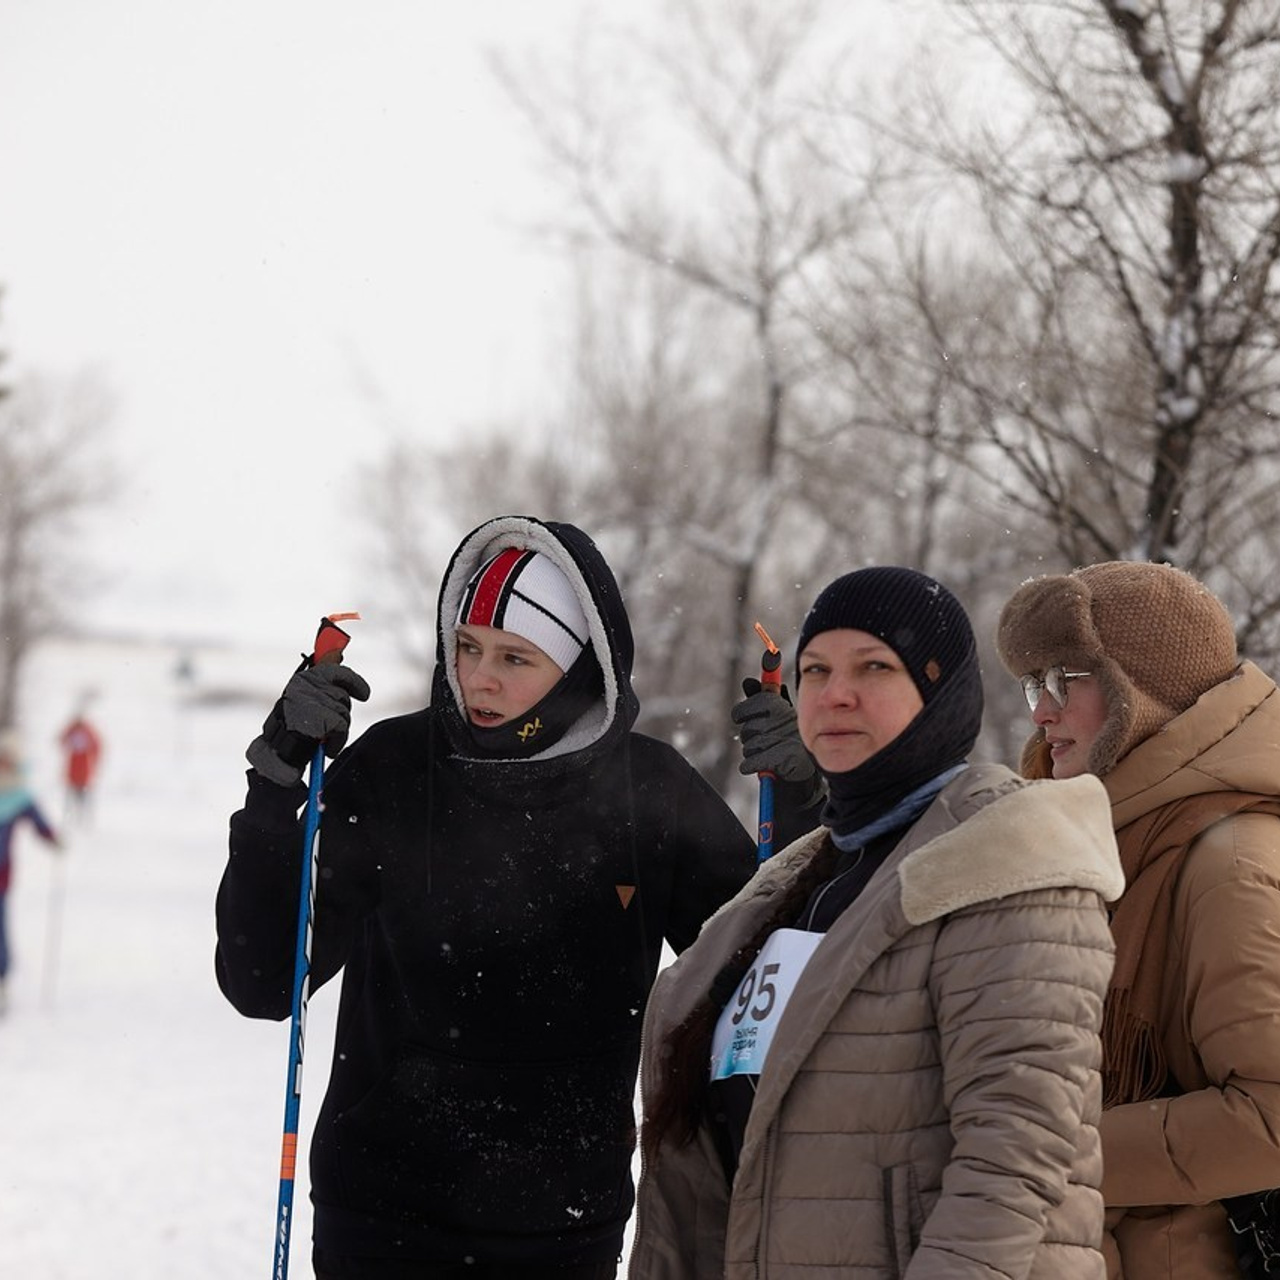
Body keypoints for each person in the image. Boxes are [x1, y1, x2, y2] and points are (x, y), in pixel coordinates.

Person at [215, 515, 769, 1280]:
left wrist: (808, 801)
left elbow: (766, 977)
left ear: (579, 666)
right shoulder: (392, 772)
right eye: (467, 647)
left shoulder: (651, 795)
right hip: (379, 1222)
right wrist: (276, 790)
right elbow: (264, 980)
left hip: (564, 1231)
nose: (480, 678)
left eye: (516, 656)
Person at [629, 566, 1124, 1279]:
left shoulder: (1010, 866)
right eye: (816, 669)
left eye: (874, 667)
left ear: (940, 694)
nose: (835, 693)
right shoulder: (805, 884)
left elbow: (1012, 1166)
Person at [997, 560, 1280, 1279]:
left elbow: (1271, 1119)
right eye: (1034, 685)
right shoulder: (1104, 845)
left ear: (1140, 689)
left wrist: (1042, 1150)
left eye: (1065, 680)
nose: (1040, 712)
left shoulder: (1228, 861)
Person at [0, 733, 62, 1014]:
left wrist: (53, 838)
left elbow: (40, 823)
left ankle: (1, 982)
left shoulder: (18, 797)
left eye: (7, 762)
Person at [58, 705, 102, 824]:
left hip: (83, 772)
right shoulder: (72, 731)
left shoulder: (88, 732)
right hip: (73, 771)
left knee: (83, 797)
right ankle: (70, 818)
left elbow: (97, 747)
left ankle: (82, 819)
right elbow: (61, 740)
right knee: (72, 796)